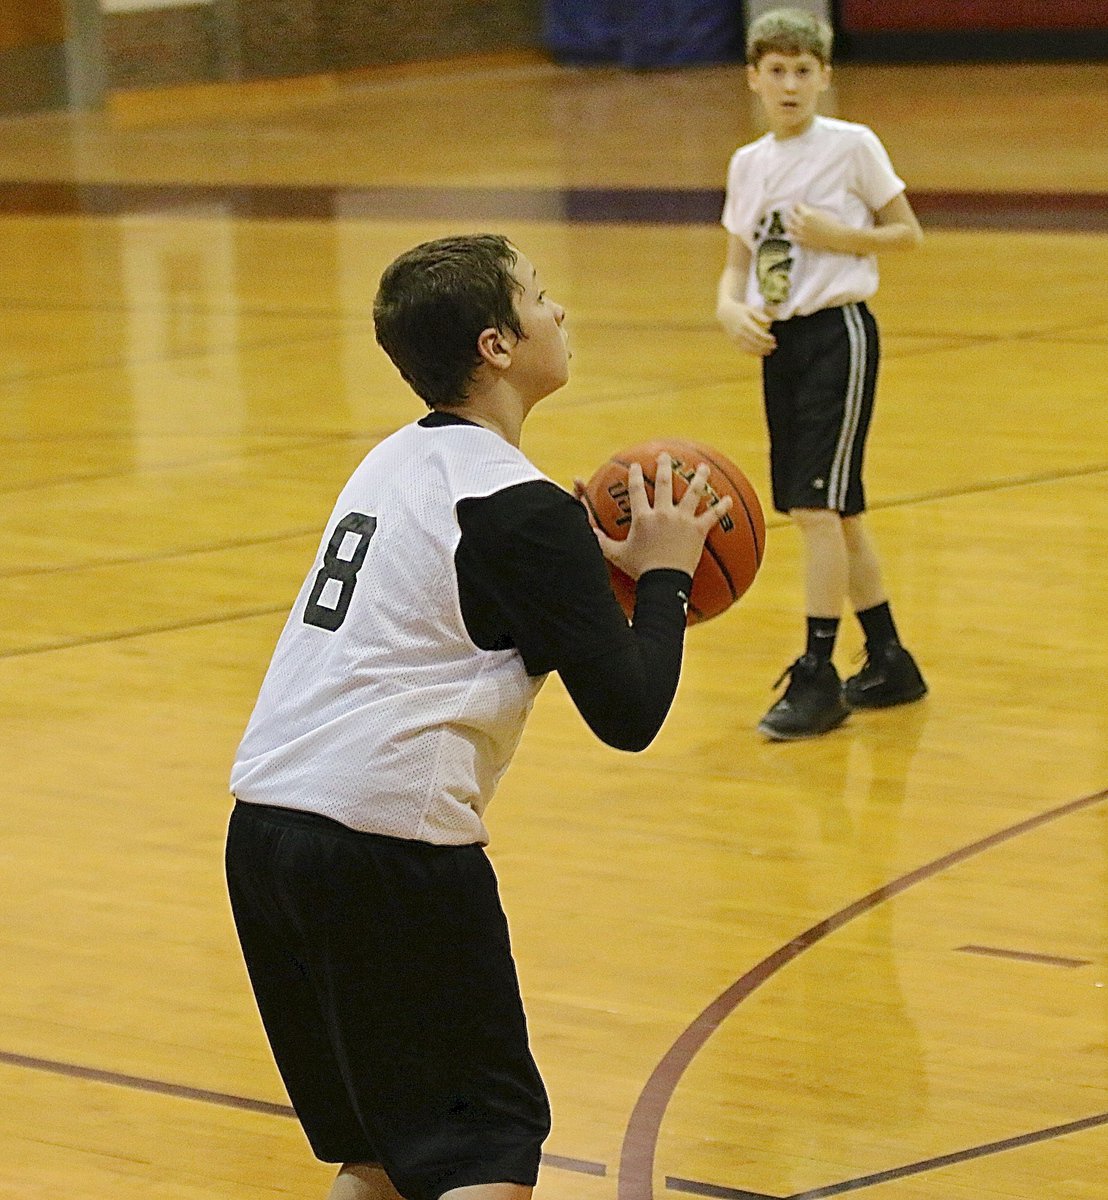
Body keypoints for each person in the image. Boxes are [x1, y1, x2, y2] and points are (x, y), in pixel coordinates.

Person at [225, 233, 730, 1200]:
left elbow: (487, 594)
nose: (561, 312)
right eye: (541, 298)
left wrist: (589, 573)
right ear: (498, 346)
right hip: (386, 849)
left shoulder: (392, 466)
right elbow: (629, 713)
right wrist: (665, 574)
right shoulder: (520, 507)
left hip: (266, 838)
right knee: (485, 1150)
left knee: (377, 1153)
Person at [715, 6, 928, 740]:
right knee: (839, 511)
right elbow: (740, 261)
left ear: (824, 77)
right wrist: (728, 310)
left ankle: (818, 673)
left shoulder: (852, 146)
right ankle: (892, 659)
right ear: (754, 78)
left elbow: (908, 232)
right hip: (785, 345)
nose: (790, 84)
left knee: (813, 509)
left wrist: (845, 236)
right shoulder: (749, 164)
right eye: (776, 71)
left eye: (804, 71)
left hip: (840, 333)